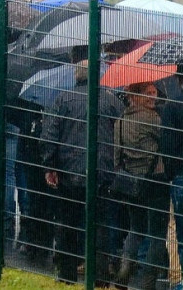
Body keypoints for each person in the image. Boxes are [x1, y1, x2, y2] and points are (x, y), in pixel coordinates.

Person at [40, 61, 125, 283]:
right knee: (100, 225)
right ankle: (99, 276)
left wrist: (50, 166)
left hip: (69, 172)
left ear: (77, 76)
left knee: (67, 223)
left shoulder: (63, 100)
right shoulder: (111, 101)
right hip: (102, 171)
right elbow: (121, 134)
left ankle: (66, 273)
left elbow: (49, 136)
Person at [112, 82, 165, 288]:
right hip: (154, 180)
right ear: (136, 95)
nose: (153, 97)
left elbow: (116, 155)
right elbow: (166, 140)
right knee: (157, 233)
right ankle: (148, 280)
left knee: (136, 228)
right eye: (147, 94)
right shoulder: (153, 119)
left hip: (130, 182)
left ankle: (125, 268)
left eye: (154, 93)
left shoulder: (121, 120)